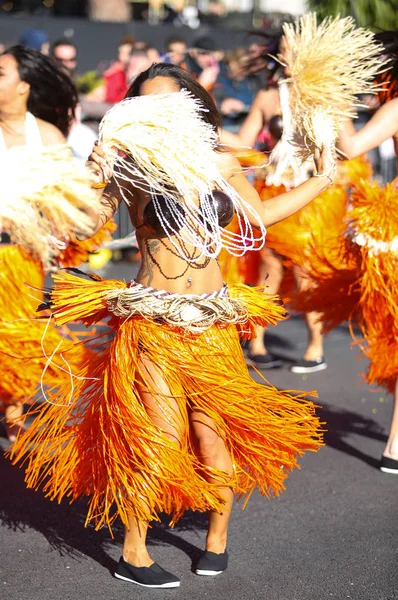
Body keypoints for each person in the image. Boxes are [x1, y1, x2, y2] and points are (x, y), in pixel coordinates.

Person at [11, 63, 333, 589]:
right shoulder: (130, 163)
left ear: (191, 106)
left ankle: (217, 537)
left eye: (169, 102)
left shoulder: (219, 162)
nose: (158, 113)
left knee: (211, 440)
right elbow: (90, 226)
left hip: (213, 322)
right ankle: (133, 552)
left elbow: (260, 217)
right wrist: (92, 176)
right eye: (145, 103)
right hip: (153, 318)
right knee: (156, 435)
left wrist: (322, 179)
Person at [0, 46, 113, 441]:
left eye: (1, 73)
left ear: (24, 86)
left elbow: (73, 204)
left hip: (17, 258)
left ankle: (12, 409)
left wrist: (91, 180)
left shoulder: (45, 136)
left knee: (13, 337)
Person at [213, 47, 260, 133]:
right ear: (232, 63)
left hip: (244, 127)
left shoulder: (253, 81)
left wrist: (243, 105)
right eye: (240, 65)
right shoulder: (218, 75)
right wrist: (221, 105)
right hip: (223, 127)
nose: (243, 69)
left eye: (246, 66)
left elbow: (259, 102)